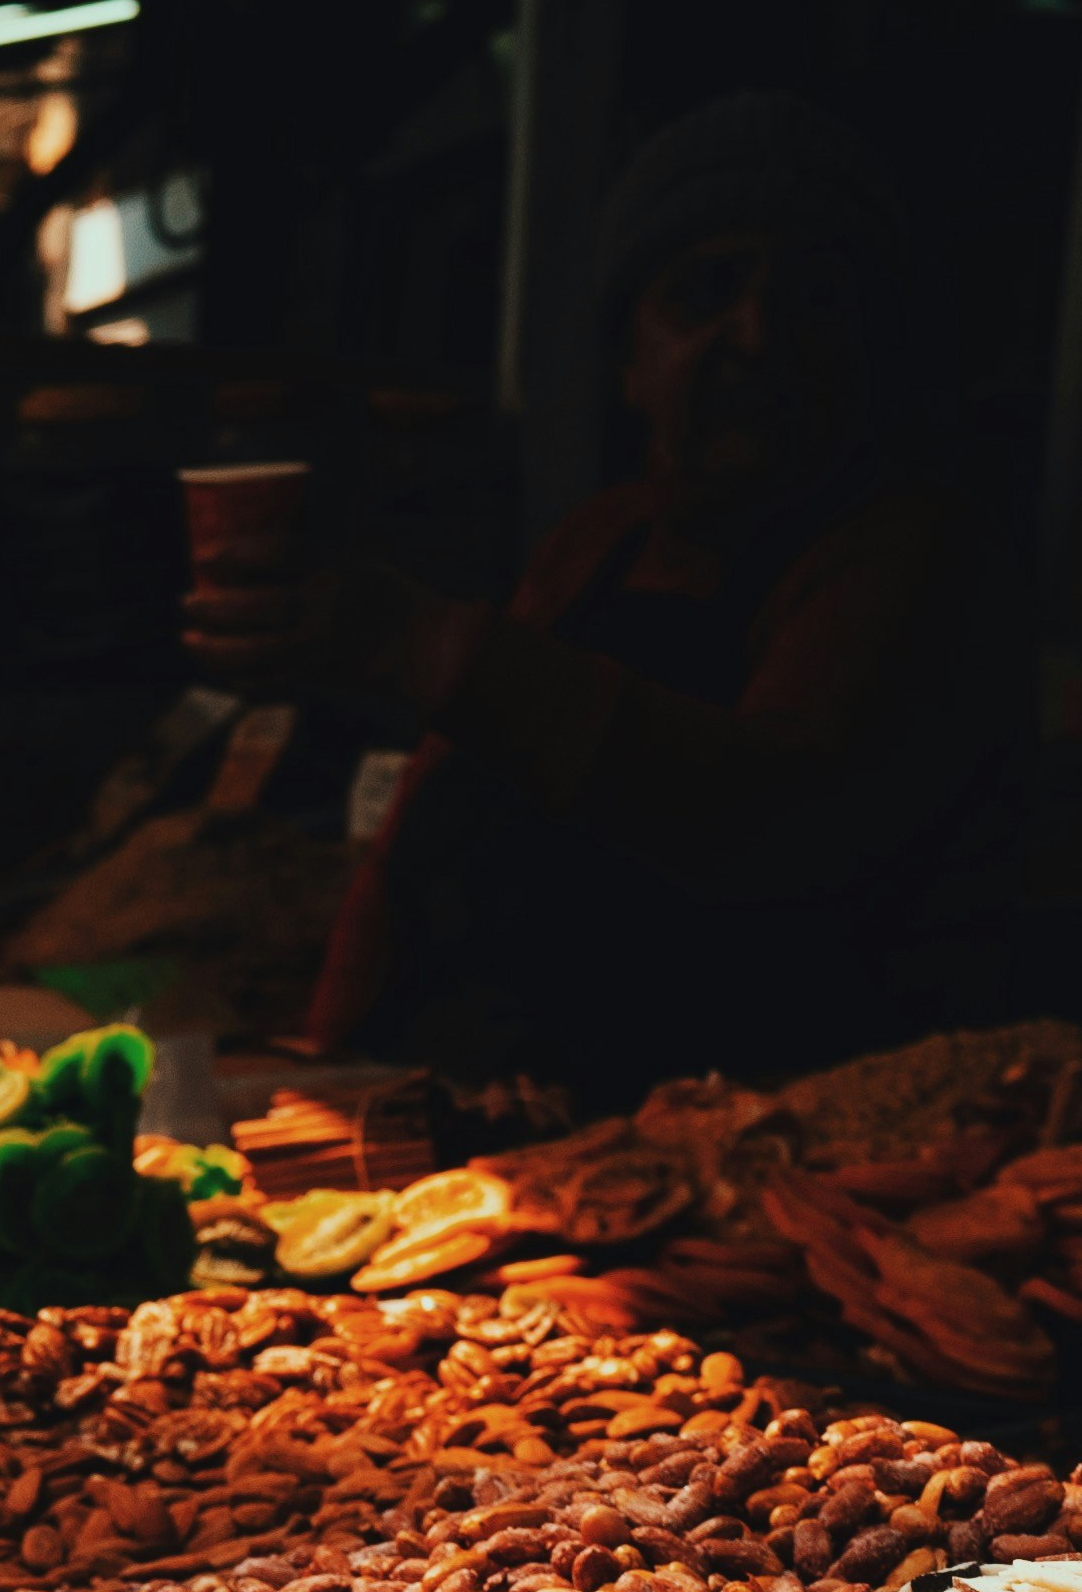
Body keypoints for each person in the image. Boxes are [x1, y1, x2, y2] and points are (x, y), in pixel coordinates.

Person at [192, 89, 991, 1092]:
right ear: (629, 360)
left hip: (708, 1123)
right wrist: (332, 1045)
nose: (756, 336)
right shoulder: (600, 542)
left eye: (813, 300)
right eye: (705, 294)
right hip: (471, 1102)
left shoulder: (907, 554)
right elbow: (421, 831)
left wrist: (427, 647)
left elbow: (773, 819)